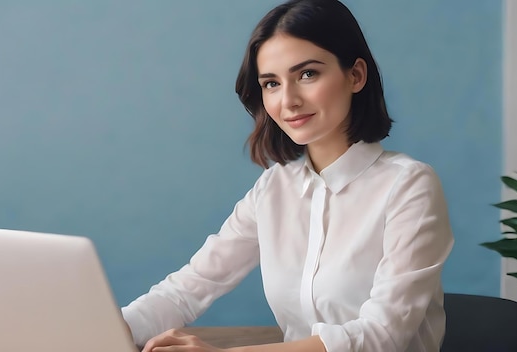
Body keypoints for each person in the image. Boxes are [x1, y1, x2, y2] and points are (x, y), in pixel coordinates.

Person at [122, 0, 454, 351]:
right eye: (271, 83)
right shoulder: (273, 189)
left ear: (355, 75)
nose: (288, 100)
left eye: (307, 74)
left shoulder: (409, 185)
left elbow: (381, 336)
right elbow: (187, 288)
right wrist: (100, 327)